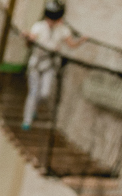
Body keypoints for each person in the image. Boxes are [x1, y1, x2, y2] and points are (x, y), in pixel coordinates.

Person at [22, 1, 84, 130]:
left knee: (45, 93)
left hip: (49, 65)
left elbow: (71, 44)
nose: (50, 21)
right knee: (33, 91)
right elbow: (31, 40)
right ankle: (27, 120)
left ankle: (33, 107)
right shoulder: (39, 26)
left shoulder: (63, 30)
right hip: (36, 63)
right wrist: (28, 37)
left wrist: (82, 40)